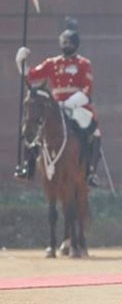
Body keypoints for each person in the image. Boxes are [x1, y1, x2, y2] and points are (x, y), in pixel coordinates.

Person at [15, 17, 102, 187]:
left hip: (76, 106)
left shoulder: (83, 64)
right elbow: (31, 76)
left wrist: (71, 102)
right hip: (54, 105)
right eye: (63, 42)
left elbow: (87, 89)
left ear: (76, 44)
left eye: (69, 42)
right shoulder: (52, 63)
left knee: (94, 132)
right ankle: (28, 167)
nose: (65, 45)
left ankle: (91, 171)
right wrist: (21, 61)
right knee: (33, 126)